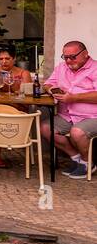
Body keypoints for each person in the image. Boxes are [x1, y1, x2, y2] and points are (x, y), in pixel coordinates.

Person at [41, 40, 97, 180]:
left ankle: (87, 163)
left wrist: (74, 98)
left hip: (92, 117)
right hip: (67, 115)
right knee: (45, 128)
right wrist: (53, 90)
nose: (68, 61)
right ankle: (76, 157)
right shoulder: (61, 67)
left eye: (73, 57)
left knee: (77, 132)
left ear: (85, 54)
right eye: (65, 57)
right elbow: (48, 83)